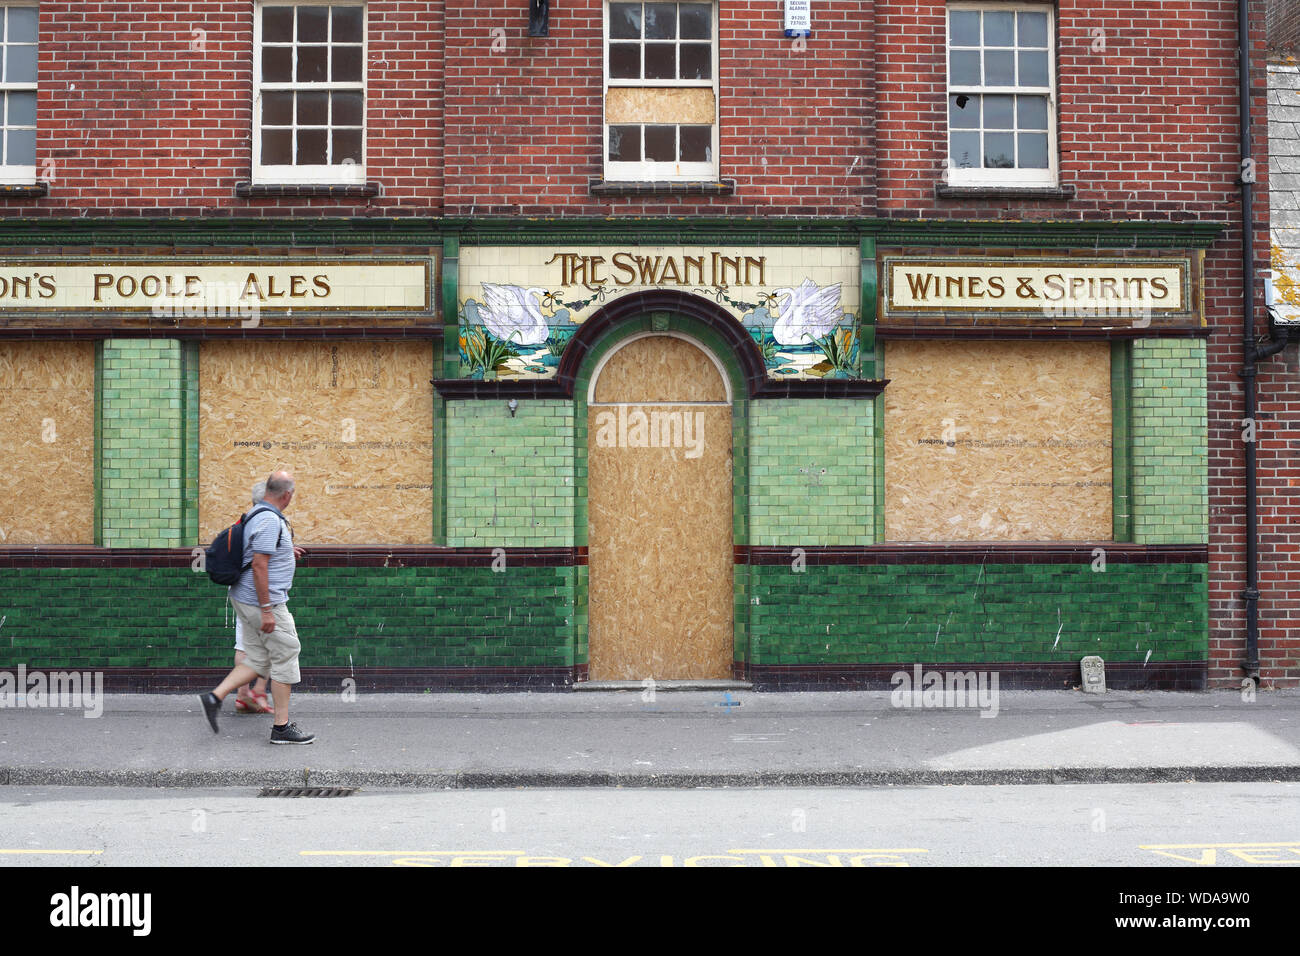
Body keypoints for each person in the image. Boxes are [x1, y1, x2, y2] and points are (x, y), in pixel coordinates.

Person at [200, 470, 314, 744]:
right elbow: (260, 564)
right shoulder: (269, 520)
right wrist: (266, 608)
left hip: (245, 597)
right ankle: (282, 728)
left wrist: (287, 551)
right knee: (287, 652)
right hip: (263, 601)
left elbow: (261, 555)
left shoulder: (258, 514)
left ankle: (214, 697)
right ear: (287, 495)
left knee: (259, 658)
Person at [233, 480, 274, 715]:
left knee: (243, 645)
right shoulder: (268, 522)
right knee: (273, 644)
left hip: (241, 591)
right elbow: (262, 561)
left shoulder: (243, 522)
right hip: (261, 594)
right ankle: (258, 690)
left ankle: (242, 695)